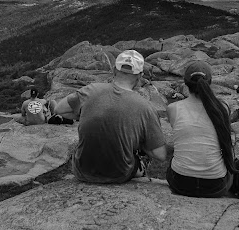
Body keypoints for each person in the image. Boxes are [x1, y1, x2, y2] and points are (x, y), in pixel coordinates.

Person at [50, 50, 167, 184]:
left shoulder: (90, 90)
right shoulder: (146, 107)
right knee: (141, 156)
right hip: (119, 174)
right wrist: (139, 141)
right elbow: (160, 155)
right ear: (140, 75)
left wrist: (86, 114)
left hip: (82, 171)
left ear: (114, 70)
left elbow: (59, 109)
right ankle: (140, 170)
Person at [166, 61, 236, 198]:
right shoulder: (223, 108)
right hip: (215, 186)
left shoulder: (173, 108)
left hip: (180, 183)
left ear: (185, 83)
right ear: (209, 82)